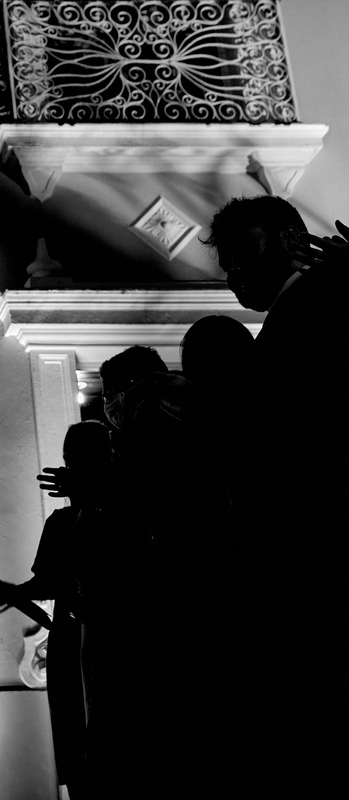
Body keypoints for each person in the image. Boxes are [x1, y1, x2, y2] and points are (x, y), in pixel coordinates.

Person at [203, 197, 347, 798]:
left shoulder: (326, 307)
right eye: (227, 266)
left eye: (246, 254)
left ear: (293, 240)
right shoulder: (293, 320)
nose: (235, 275)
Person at [0, 420, 111, 800]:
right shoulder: (59, 521)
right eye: (68, 459)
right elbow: (49, 585)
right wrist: (18, 593)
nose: (70, 468)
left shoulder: (118, 517)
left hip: (109, 641)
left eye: (81, 460)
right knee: (74, 740)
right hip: (66, 644)